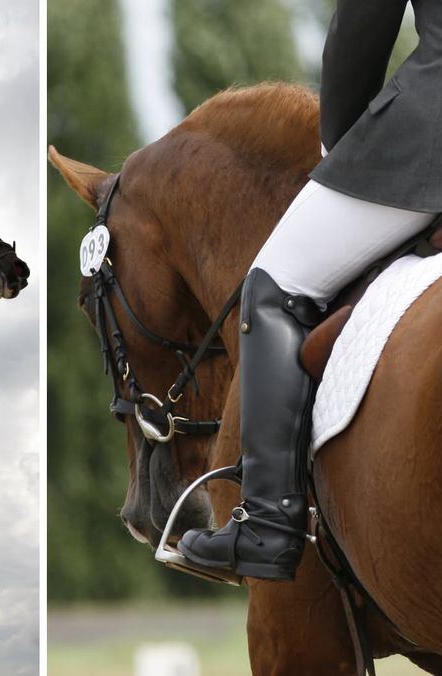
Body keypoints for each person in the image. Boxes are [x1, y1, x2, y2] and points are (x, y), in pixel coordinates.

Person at [178, 1, 441, 580]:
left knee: (274, 284)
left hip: (429, 138)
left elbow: (362, 28)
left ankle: (266, 526)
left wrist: (341, 145)